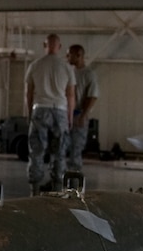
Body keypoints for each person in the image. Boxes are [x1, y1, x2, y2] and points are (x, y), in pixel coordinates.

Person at [24, 33, 73, 194]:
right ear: (59, 47)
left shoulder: (35, 65)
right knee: (59, 152)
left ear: (44, 46)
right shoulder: (66, 67)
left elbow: (29, 93)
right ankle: (57, 186)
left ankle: (35, 188)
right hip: (60, 110)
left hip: (40, 109)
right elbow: (71, 95)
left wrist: (30, 114)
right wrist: (70, 116)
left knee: (37, 151)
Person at [64, 43, 99, 184]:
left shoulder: (88, 74)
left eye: (69, 54)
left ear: (78, 55)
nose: (67, 57)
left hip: (78, 115)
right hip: (65, 115)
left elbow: (92, 96)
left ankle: (73, 183)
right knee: (61, 149)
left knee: (75, 151)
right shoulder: (68, 71)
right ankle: (61, 180)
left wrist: (83, 115)